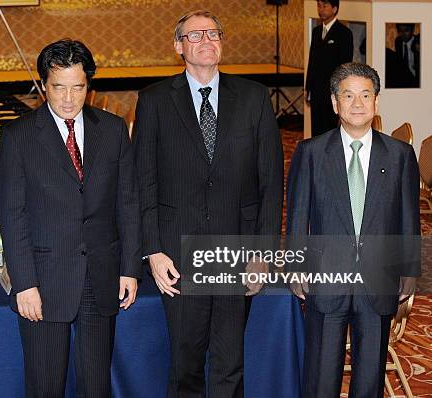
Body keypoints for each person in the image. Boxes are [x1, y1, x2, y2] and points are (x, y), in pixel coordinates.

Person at [133, 10, 283, 397]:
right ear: (178, 46)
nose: (205, 41)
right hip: (178, 252)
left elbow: (271, 181)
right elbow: (142, 183)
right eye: (195, 35)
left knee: (230, 361)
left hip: (238, 247)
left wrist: (263, 253)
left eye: (213, 33)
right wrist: (153, 250)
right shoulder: (153, 101)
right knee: (185, 361)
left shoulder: (254, 98)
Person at [0, 39, 141, 397]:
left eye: (78, 87)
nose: (68, 98)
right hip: (43, 280)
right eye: (58, 87)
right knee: (45, 385)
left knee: (96, 385)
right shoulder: (18, 137)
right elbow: (12, 216)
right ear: (44, 84)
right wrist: (25, 283)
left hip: (101, 276)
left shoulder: (112, 129)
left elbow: (128, 203)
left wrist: (129, 269)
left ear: (88, 86)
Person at [287, 62, 420, 397]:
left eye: (365, 95)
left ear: (376, 102)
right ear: (335, 103)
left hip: (378, 281)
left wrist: (409, 272)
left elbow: (409, 219)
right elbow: (298, 214)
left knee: (369, 377)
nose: (357, 103)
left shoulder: (400, 155)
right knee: (321, 376)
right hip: (326, 280)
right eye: (348, 95)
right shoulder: (311, 152)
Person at [306, 0, 353, 136]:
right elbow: (312, 61)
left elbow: (344, 65)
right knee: (316, 128)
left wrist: (340, 91)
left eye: (325, 6)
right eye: (319, 6)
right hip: (316, 89)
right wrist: (308, 86)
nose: (321, 9)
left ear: (334, 8)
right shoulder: (316, 32)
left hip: (333, 89)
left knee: (330, 128)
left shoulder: (344, 33)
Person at [394, 23, 420, 87]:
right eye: (400, 31)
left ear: (413, 30)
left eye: (406, 30)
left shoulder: (419, 41)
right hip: (403, 81)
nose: (403, 34)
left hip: (417, 80)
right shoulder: (398, 41)